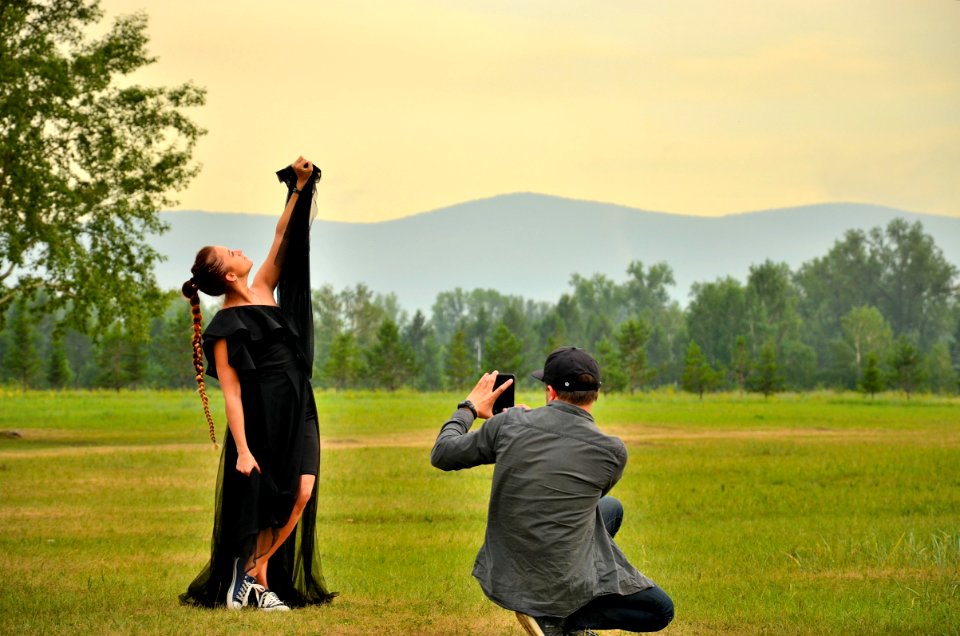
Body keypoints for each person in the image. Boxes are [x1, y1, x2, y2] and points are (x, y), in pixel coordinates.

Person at [179, 156, 335, 611]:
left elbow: (282, 235)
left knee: (303, 491)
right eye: (230, 253)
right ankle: (253, 584)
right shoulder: (224, 327)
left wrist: (298, 189)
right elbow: (231, 392)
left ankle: (248, 576)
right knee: (273, 501)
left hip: (301, 404)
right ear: (228, 275)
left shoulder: (265, 286)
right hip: (264, 418)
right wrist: (244, 449)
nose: (238, 251)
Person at [430, 347, 674, 635]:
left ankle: (554, 620)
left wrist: (468, 408)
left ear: (550, 391)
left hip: (507, 569)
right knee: (660, 610)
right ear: (596, 393)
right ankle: (566, 620)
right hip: (557, 578)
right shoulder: (611, 451)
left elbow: (443, 453)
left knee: (612, 509)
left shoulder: (510, 424)